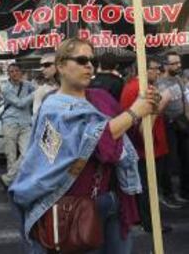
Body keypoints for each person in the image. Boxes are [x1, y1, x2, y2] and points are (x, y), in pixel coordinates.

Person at [10, 38, 159, 254]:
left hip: (113, 200)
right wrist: (135, 112)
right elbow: (98, 143)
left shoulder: (102, 97)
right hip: (74, 208)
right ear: (60, 66)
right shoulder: (53, 108)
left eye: (92, 60)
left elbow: (132, 140)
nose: (89, 65)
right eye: (81, 60)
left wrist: (150, 110)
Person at [120, 56, 176, 233]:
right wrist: (163, 102)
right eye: (155, 68)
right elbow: (141, 123)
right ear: (144, 70)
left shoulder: (137, 87)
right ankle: (150, 224)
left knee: (146, 186)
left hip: (148, 146)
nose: (159, 71)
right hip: (146, 148)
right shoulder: (139, 88)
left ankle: (146, 221)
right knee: (148, 187)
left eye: (160, 68)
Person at [157, 51, 189, 202]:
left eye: (179, 62)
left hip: (182, 122)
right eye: (174, 63)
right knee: (169, 160)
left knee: (186, 157)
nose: (178, 65)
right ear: (165, 65)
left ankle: (185, 192)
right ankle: (168, 194)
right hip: (167, 124)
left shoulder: (178, 79)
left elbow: (185, 101)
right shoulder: (159, 83)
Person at [0, 63, 35, 188]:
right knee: (11, 156)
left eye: (16, 71)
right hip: (10, 123)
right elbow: (19, 103)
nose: (14, 73)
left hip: (25, 123)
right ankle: (13, 185)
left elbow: (39, 89)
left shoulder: (27, 85)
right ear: (8, 74)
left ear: (21, 72)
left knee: (27, 153)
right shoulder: (5, 88)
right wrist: (34, 94)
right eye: (11, 71)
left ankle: (7, 178)